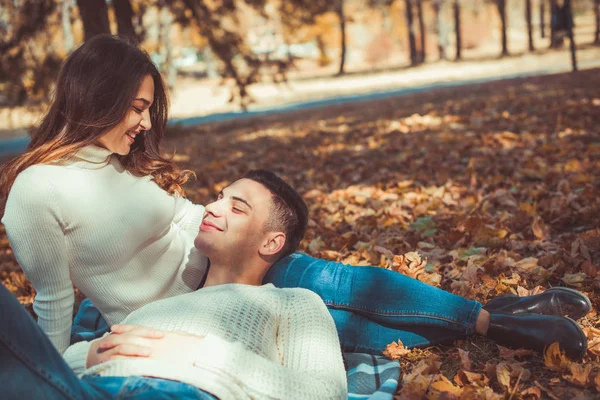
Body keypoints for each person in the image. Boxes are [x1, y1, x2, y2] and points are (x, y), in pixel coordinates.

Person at [0, 35, 589, 362]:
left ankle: (501, 317)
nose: (145, 121)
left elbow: (181, 218)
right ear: (95, 97)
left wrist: (235, 225)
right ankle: (497, 325)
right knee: (333, 327)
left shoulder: (118, 157)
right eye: (134, 107)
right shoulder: (37, 192)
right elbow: (51, 302)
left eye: (148, 106)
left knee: (345, 282)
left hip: (229, 258)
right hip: (190, 315)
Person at [0, 171, 347, 399]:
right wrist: (88, 353)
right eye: (219, 197)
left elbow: (325, 393)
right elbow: (64, 363)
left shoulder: (293, 302)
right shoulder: (156, 304)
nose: (212, 207)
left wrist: (197, 353)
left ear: (271, 243)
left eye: (236, 208)